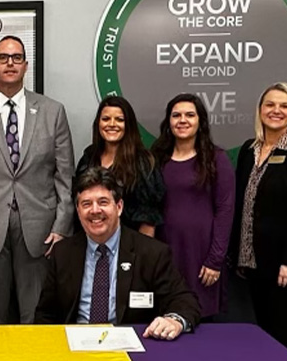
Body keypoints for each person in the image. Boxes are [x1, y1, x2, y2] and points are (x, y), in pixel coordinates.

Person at [0, 35, 75, 324]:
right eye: (3, 58)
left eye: (17, 57)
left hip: (40, 227)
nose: (10, 63)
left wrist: (61, 226)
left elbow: (64, 176)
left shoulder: (52, 111)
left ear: (26, 65)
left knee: (36, 311)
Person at [35, 167, 200, 338]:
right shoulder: (63, 253)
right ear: (78, 211)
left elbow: (185, 301)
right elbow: (45, 315)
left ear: (119, 207)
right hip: (75, 350)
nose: (95, 210)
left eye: (103, 202)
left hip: (133, 351)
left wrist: (173, 320)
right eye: (86, 204)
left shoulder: (151, 253)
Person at [230, 83, 287, 351]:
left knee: (281, 334)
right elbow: (242, 203)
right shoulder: (250, 150)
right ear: (260, 110)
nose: (276, 111)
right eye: (270, 104)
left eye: (284, 106)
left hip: (285, 264)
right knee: (263, 333)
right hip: (254, 260)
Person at [151, 93, 236, 320]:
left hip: (201, 253)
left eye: (190, 115)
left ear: (200, 121)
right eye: (176, 115)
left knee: (201, 319)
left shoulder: (217, 158)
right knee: (165, 315)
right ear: (168, 121)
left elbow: (225, 210)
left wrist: (215, 260)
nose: (182, 120)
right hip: (165, 248)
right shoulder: (156, 158)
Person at [74, 96, 165, 237]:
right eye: (105, 119)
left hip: (129, 247)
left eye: (119, 120)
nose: (112, 124)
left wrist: (142, 257)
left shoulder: (143, 162)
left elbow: (148, 220)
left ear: (128, 125)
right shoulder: (89, 157)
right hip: (90, 244)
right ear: (98, 123)